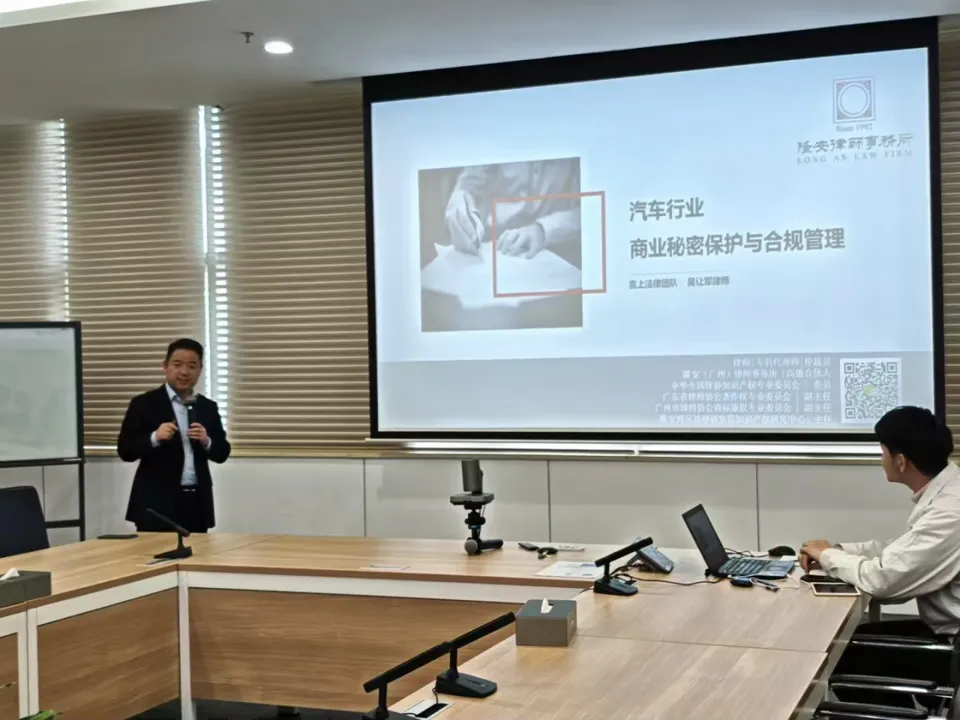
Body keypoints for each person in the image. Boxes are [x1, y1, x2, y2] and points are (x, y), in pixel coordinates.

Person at [800, 406, 958, 690]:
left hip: (953, 646)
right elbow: (901, 551)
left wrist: (828, 555)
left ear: (901, 462)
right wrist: (836, 551)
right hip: (945, 632)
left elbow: (884, 582)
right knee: (852, 641)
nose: (881, 460)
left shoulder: (949, 512)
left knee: (837, 656)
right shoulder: (948, 492)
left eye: (882, 452)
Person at [117, 338, 230, 533]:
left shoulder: (207, 407)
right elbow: (125, 451)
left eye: (192, 366)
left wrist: (207, 441)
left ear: (200, 369)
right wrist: (154, 437)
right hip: (155, 504)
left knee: (197, 553)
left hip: (196, 504)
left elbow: (222, 453)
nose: (184, 372)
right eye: (177, 365)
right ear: (165, 366)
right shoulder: (144, 404)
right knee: (153, 553)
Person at [444, 158, 581, 265]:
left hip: (557, 250)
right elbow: (468, 185)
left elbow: (588, 210)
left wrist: (543, 229)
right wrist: (460, 201)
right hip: (494, 247)